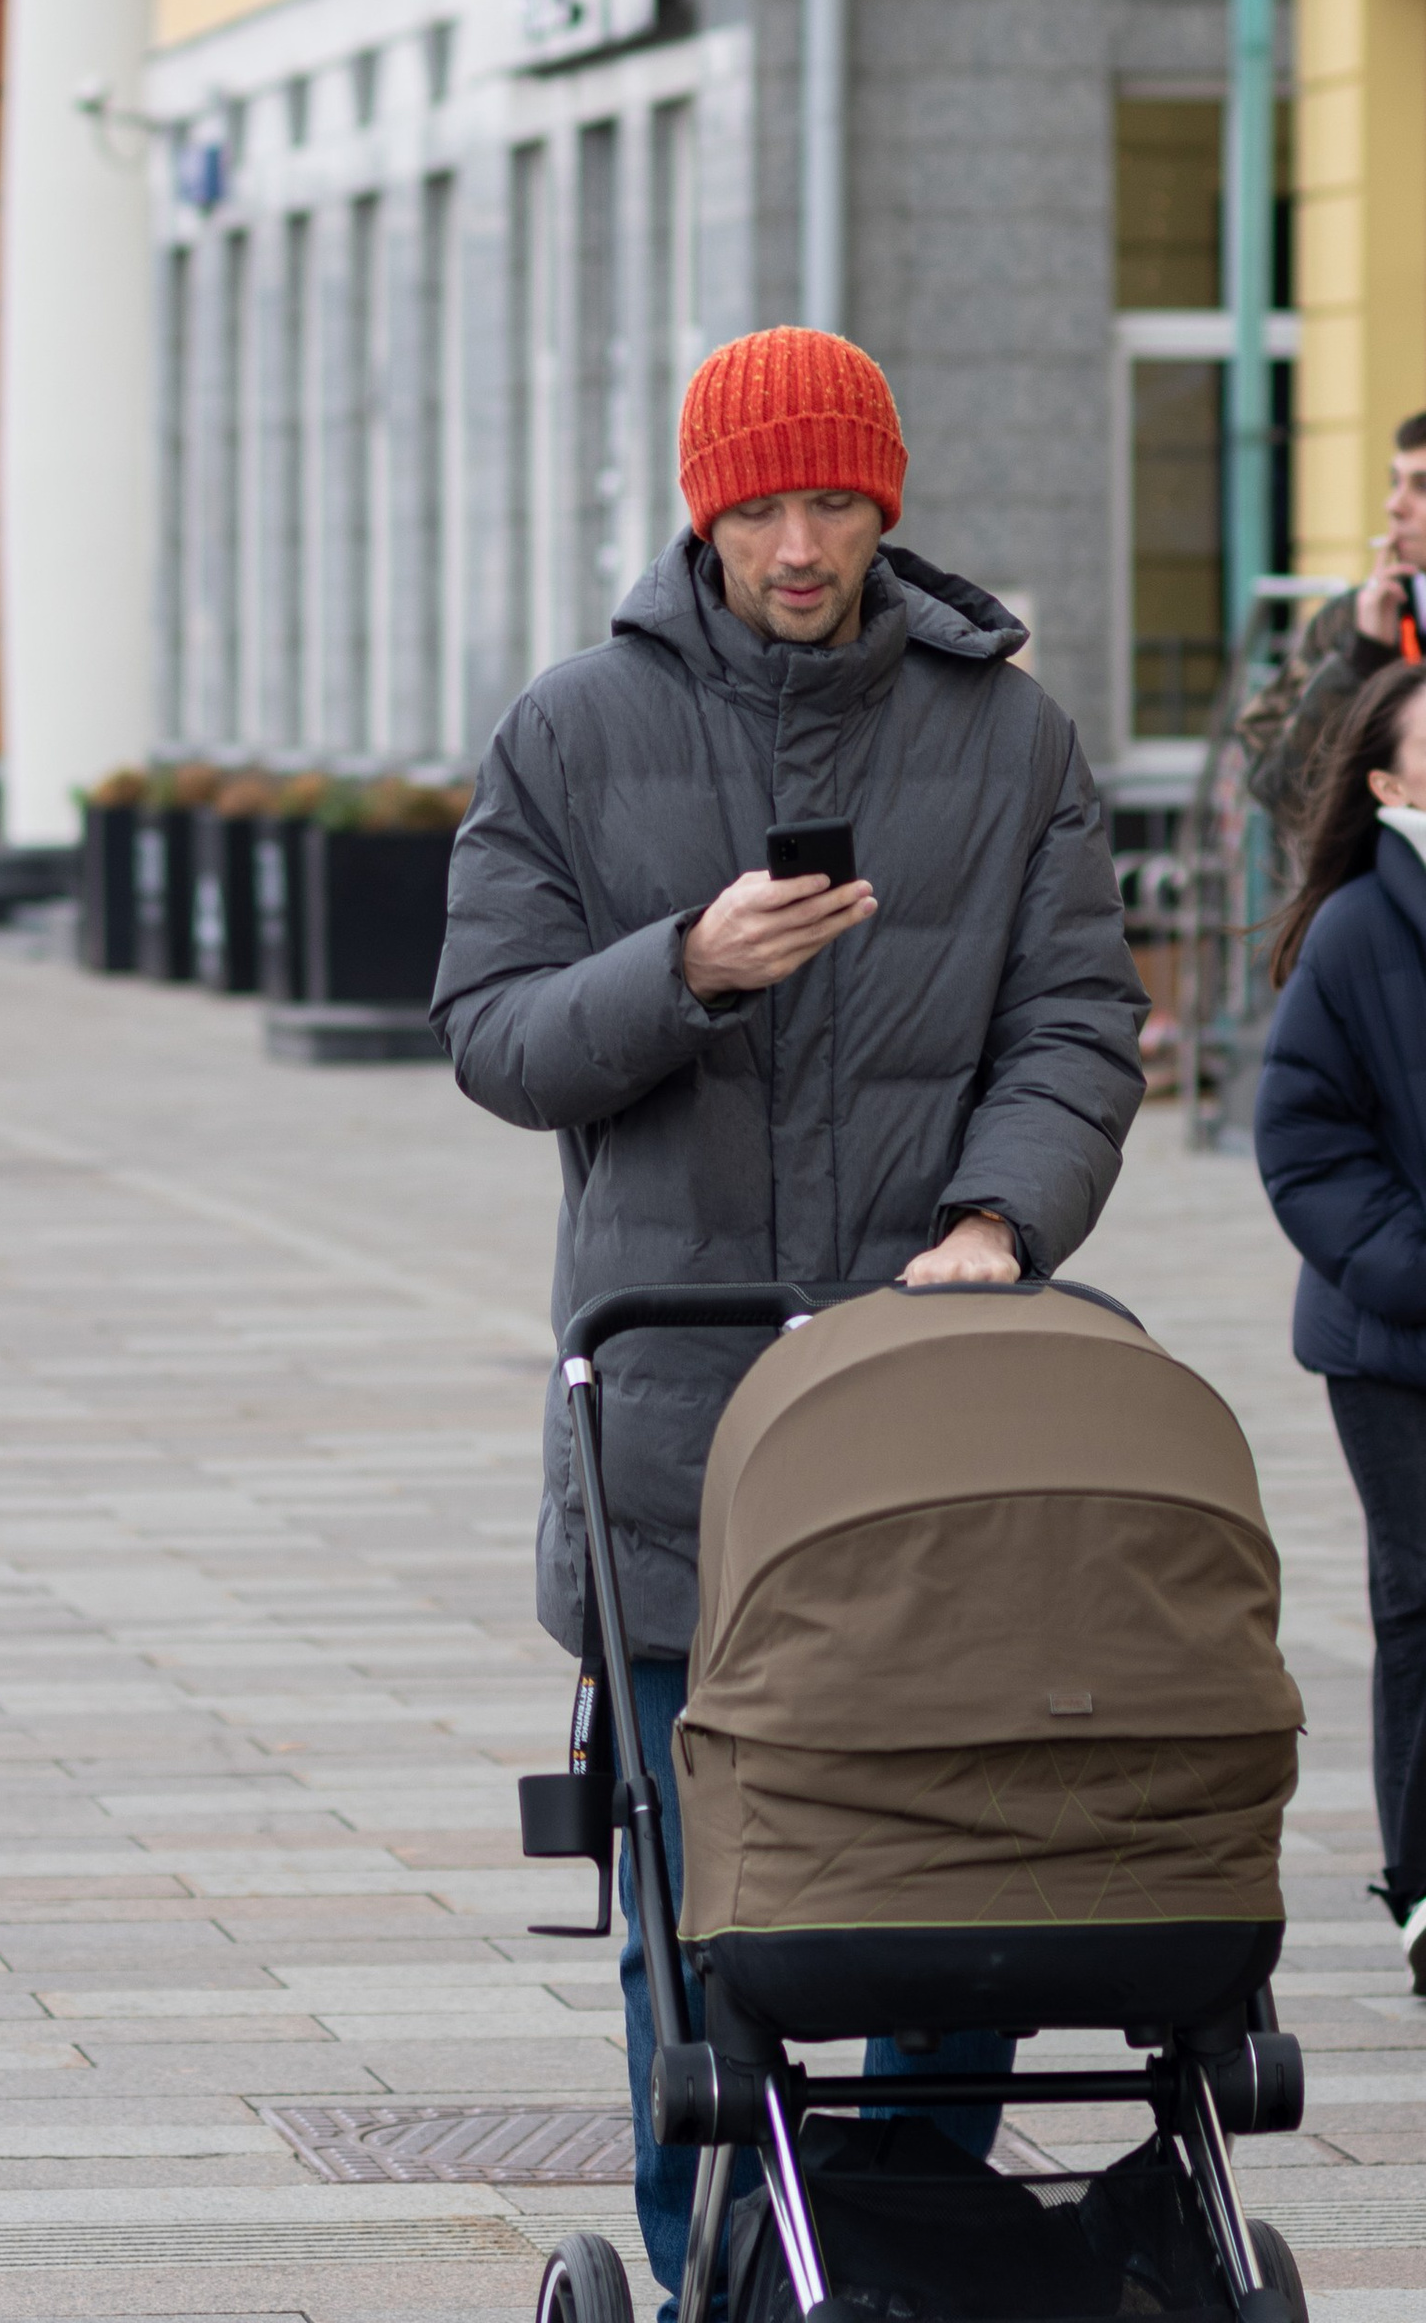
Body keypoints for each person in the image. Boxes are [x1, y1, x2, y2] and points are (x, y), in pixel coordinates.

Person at [433, 326, 1147, 2320]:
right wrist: (684, 967)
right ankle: (714, 2284)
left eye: (835, 500)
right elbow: (488, 1034)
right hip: (678, 1440)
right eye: (760, 504)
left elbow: (1075, 1018)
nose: (800, 542)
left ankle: (901, 2258)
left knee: (958, 1909)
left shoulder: (1002, 737)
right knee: (708, 1935)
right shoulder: (572, 731)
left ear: (885, 504)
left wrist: (1000, 1218)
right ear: (701, 508)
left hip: (941, 1427)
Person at [1255, 656, 1426, 1991]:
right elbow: (1304, 1143)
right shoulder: (1362, 930)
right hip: (1396, 1344)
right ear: (1386, 782)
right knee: (1423, 1602)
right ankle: (1425, 1888)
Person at [1242, 409, 1426, 823]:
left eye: (1423, 486)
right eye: (1395, 482)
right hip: (1380, 878)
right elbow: (1280, 789)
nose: (1395, 506)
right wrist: (1362, 661)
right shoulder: (1349, 623)